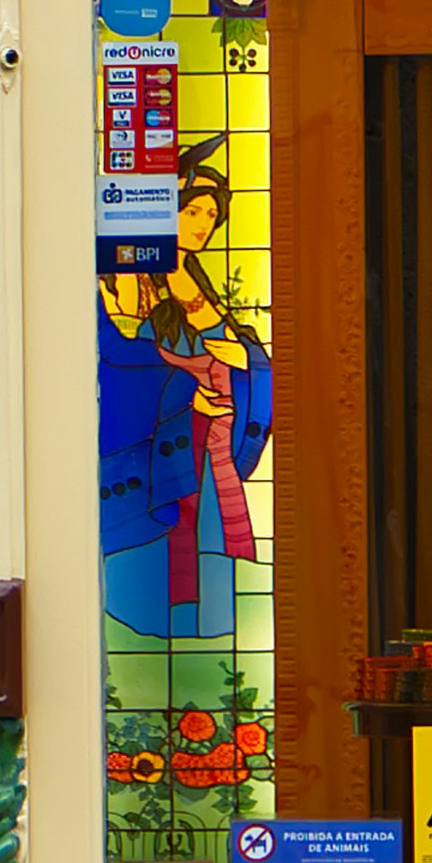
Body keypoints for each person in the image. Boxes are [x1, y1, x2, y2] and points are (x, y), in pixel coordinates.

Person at [98, 137, 273, 638]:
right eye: (192, 209)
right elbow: (118, 355)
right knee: (166, 545)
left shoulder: (195, 278)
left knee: (212, 541)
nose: (202, 224)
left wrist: (247, 359)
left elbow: (234, 348)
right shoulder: (130, 275)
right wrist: (180, 389)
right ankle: (154, 630)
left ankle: (210, 633)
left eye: (210, 217)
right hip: (164, 438)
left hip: (211, 435)